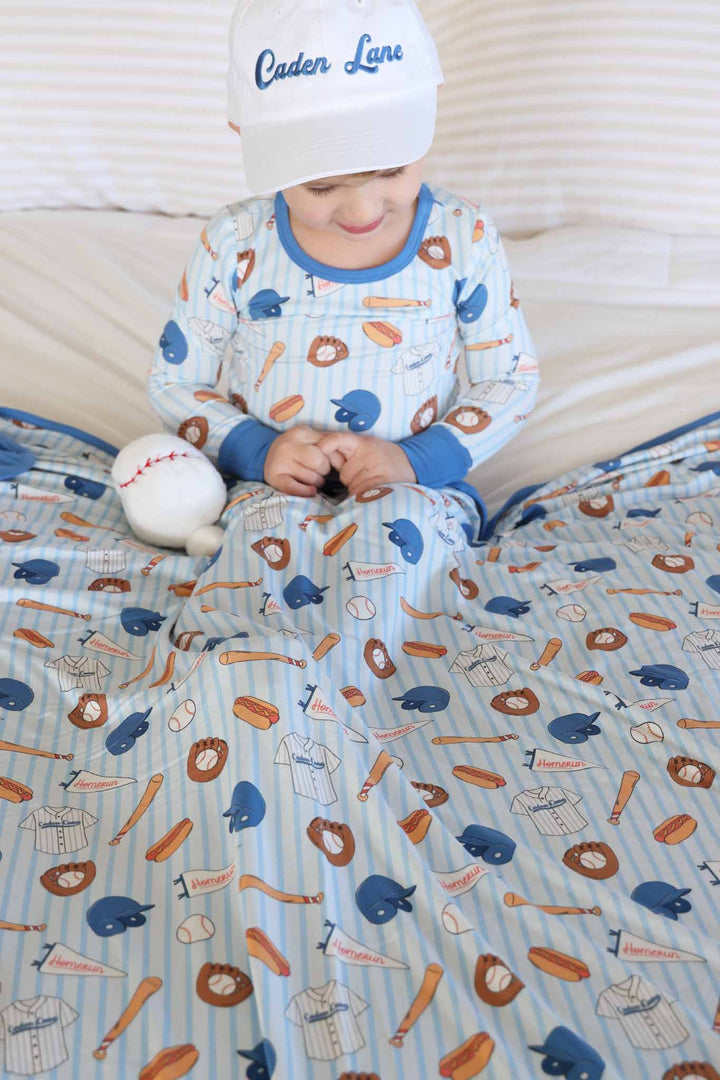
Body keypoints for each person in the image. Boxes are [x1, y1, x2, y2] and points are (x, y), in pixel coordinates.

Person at [147, 0, 539, 515]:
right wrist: (259, 451)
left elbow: (509, 378)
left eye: (392, 171)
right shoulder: (233, 242)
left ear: (430, 96)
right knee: (254, 574)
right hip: (266, 490)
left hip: (413, 490)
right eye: (322, 185)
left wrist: (416, 460)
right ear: (244, 129)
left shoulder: (465, 237)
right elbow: (175, 382)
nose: (362, 209)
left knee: (403, 560)